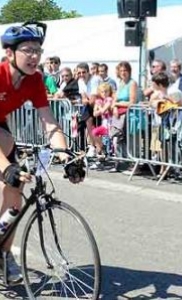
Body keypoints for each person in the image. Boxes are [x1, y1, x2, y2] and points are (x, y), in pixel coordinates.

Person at [0, 21, 85, 285]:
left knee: (14, 195)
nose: (34, 56)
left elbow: (49, 122)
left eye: (38, 50)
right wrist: (5, 167)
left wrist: (65, 155)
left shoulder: (35, 80)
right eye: (27, 49)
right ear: (10, 52)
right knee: (6, 146)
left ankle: (4, 256)